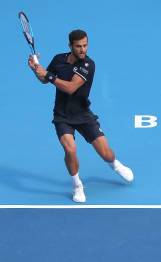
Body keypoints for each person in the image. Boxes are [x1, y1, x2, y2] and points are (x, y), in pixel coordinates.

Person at [27, 29, 133, 203]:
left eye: (85, 45)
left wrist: (49, 75)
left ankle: (115, 164)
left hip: (84, 115)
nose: (83, 49)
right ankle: (77, 185)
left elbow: (70, 88)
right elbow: (45, 80)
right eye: (78, 46)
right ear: (70, 46)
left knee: (106, 153)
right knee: (70, 149)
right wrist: (36, 70)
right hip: (62, 116)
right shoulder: (59, 59)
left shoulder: (88, 65)